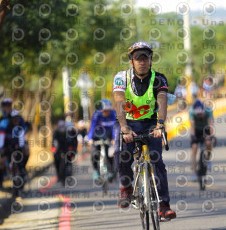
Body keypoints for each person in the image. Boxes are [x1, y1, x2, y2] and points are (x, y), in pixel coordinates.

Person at [113, 41, 176, 220]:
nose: (142, 62)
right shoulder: (121, 77)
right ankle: (126, 188)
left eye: (145, 58)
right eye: (137, 58)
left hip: (150, 123)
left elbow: (162, 101)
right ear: (131, 61)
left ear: (150, 60)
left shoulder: (159, 78)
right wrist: (124, 128)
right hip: (127, 122)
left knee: (157, 161)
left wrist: (160, 125)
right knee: (121, 154)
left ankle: (164, 205)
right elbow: (119, 103)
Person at [85, 99, 117, 181]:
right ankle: (96, 171)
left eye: (108, 111)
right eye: (105, 111)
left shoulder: (113, 114)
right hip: (97, 136)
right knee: (94, 153)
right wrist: (90, 139)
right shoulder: (96, 114)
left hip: (109, 137)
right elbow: (92, 127)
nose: (107, 113)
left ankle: (111, 171)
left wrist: (114, 138)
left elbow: (115, 127)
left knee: (110, 153)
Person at [0, 109, 29, 187]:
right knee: (2, 162)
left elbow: (21, 136)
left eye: (17, 118)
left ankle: (23, 168)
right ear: (10, 119)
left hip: (17, 145)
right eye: (14, 118)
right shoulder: (5, 124)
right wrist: (1, 148)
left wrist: (21, 146)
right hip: (6, 145)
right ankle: (0, 183)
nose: (16, 120)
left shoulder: (21, 124)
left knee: (26, 149)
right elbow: (1, 137)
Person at [189, 98, 214, 182]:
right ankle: (194, 173)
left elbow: (211, 124)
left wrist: (211, 135)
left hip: (205, 129)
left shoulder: (208, 110)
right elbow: (192, 124)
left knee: (208, 143)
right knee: (194, 148)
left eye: (201, 113)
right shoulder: (192, 111)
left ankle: (208, 159)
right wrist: (192, 135)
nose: (200, 115)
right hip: (196, 130)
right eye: (198, 114)